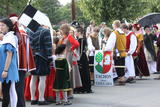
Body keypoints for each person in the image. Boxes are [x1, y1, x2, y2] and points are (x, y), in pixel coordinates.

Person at [9, 14, 36, 107]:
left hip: (17, 66)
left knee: (16, 90)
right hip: (19, 65)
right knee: (16, 90)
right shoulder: (20, 33)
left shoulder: (20, 34)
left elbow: (26, 51)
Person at [27, 25, 53, 105]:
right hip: (42, 57)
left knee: (33, 77)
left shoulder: (29, 31)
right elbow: (48, 46)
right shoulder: (45, 31)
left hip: (32, 57)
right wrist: (50, 58)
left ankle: (33, 99)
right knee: (42, 78)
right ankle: (41, 99)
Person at [58, 24, 82, 99]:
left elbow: (77, 44)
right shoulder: (64, 37)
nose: (60, 31)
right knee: (67, 74)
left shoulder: (69, 37)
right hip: (66, 56)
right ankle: (68, 92)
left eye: (61, 29)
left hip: (69, 57)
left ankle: (70, 93)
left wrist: (71, 49)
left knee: (70, 74)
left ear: (64, 30)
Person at [0, 18, 19, 107]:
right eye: (0, 25)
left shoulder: (10, 37)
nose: (0, 27)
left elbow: (9, 55)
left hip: (8, 68)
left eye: (3, 25)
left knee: (6, 91)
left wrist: (6, 70)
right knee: (10, 90)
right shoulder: (7, 37)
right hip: (6, 68)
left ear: (8, 27)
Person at [104, 20, 126, 85]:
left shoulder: (115, 33)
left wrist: (105, 49)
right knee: (122, 66)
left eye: (113, 25)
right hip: (123, 52)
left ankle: (120, 80)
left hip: (117, 53)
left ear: (115, 25)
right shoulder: (123, 33)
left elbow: (110, 44)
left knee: (118, 66)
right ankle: (122, 79)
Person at [74, 26, 93, 93]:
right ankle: (85, 88)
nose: (75, 33)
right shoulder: (82, 39)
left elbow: (81, 51)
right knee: (84, 72)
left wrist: (79, 60)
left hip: (81, 58)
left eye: (76, 32)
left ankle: (83, 88)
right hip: (83, 57)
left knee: (83, 72)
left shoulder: (81, 40)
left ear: (79, 32)